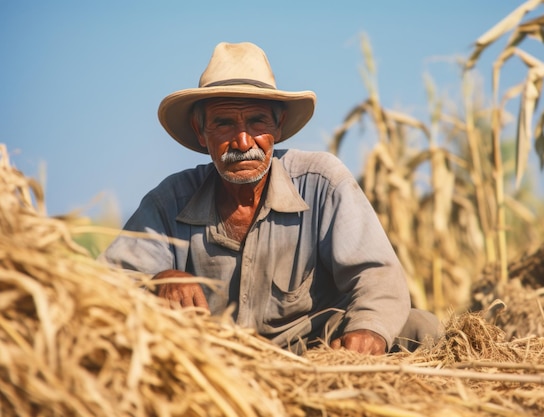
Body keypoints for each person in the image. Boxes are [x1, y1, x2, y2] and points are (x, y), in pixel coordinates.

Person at [101, 41, 442, 355]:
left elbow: (375, 274)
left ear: (277, 126)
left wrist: (370, 331)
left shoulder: (321, 182)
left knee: (419, 327)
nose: (243, 141)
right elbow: (106, 283)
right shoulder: (170, 201)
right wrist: (159, 279)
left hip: (315, 350)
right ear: (199, 131)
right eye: (223, 124)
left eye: (257, 121)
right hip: (213, 364)